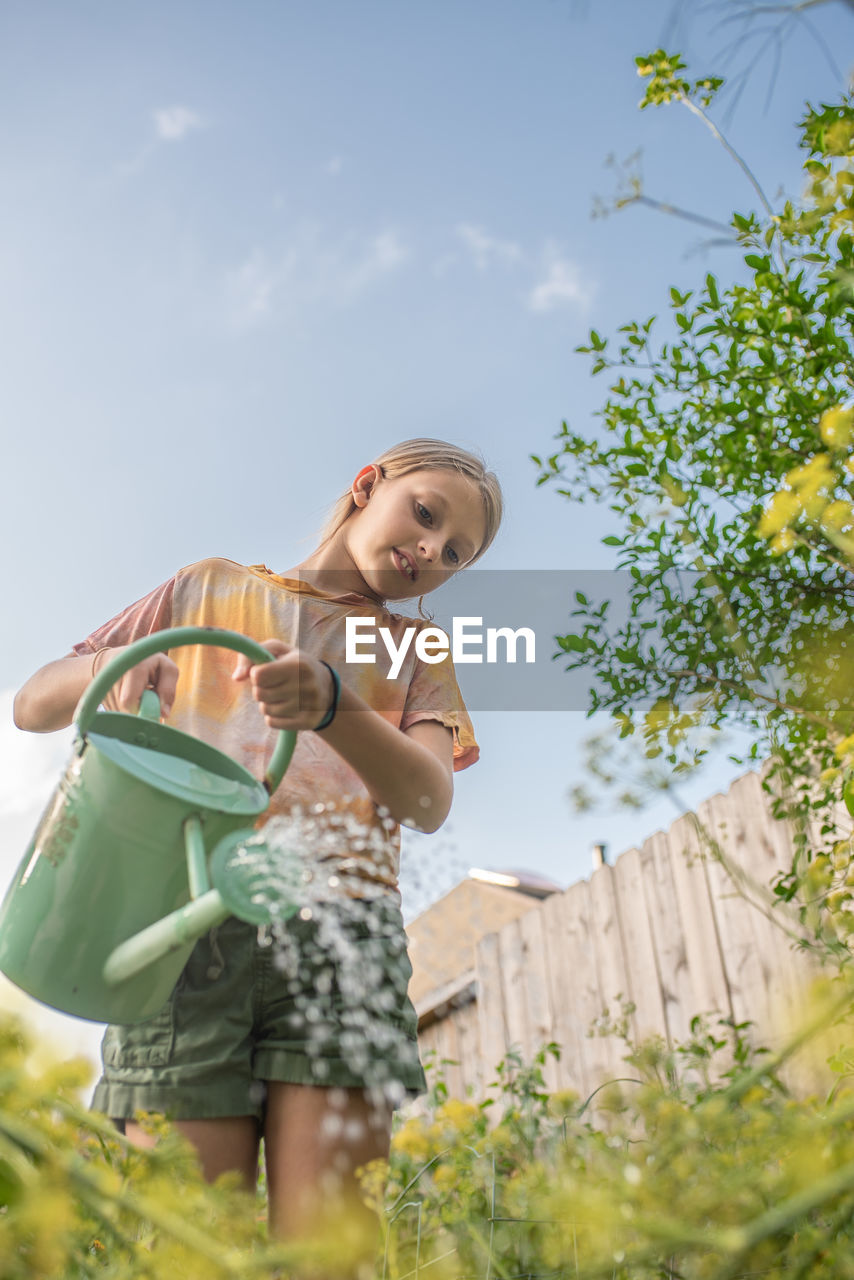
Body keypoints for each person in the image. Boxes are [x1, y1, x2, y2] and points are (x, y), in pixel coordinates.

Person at [14, 437, 502, 1271]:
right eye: (425, 516)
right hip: (184, 924)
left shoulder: (415, 654)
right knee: (188, 1247)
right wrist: (118, 669)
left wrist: (333, 704)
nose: (431, 552)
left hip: (343, 946)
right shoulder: (210, 588)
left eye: (456, 555)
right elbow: (34, 702)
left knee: (328, 1257)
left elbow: (428, 799)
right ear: (365, 486)